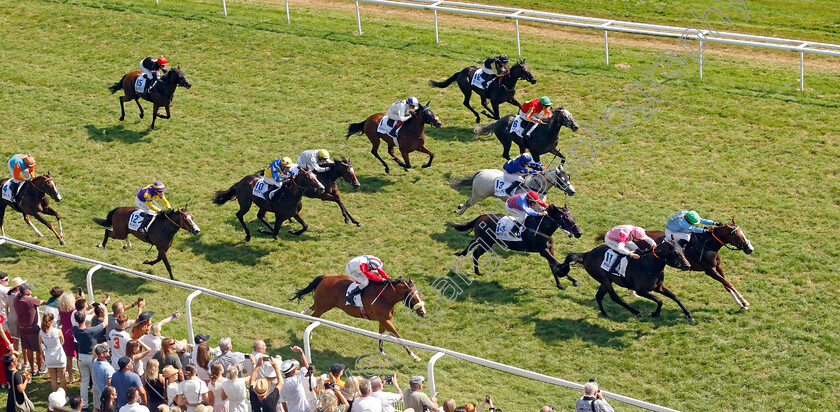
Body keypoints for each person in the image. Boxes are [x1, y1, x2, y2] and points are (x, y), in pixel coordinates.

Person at [73, 307, 109, 409]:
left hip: (81, 358)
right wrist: (105, 311)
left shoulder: (74, 329)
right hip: (91, 358)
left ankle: (84, 404)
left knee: (84, 381)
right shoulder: (90, 331)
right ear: (85, 319)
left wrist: (90, 308)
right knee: (95, 382)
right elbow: (105, 323)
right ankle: (96, 404)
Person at [14, 283, 45, 375]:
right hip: (32, 328)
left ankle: (32, 369)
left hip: (22, 328)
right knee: (38, 350)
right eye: (30, 289)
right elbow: (42, 302)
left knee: (28, 349)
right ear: (26, 291)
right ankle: (39, 369)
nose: (31, 290)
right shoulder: (30, 300)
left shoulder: (17, 299)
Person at [39, 312, 68, 392]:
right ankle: (64, 397)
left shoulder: (41, 333)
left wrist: (43, 356)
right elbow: (63, 342)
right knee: (62, 377)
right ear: (52, 321)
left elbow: (40, 346)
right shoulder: (58, 331)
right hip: (59, 356)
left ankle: (55, 396)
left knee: (53, 379)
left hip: (49, 356)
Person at [277, 345, 310, 412]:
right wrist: (301, 352)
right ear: (292, 371)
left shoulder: (281, 384)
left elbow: (283, 402)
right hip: (304, 409)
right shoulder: (296, 380)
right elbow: (306, 367)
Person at [58, 291, 78, 384]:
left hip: (64, 333)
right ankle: (81, 376)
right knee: (78, 357)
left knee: (68, 358)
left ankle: (70, 377)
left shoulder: (60, 309)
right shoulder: (74, 311)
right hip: (73, 333)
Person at [93, 343, 116, 410]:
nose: (108, 350)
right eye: (106, 350)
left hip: (99, 392)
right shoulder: (107, 368)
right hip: (107, 397)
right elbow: (110, 384)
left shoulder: (95, 362)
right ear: (102, 354)